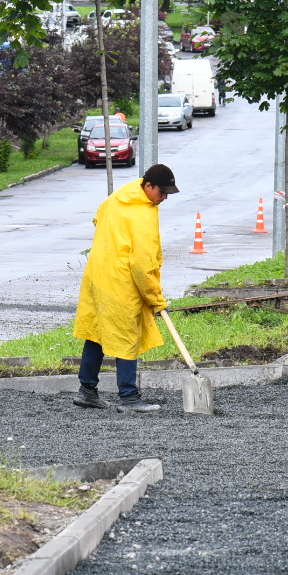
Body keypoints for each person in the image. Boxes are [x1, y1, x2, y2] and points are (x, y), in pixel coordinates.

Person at [71, 163, 179, 412]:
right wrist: (155, 298)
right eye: (162, 192)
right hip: (122, 281)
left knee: (97, 332)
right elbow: (142, 265)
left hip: (98, 275)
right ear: (148, 186)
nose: (164, 198)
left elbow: (97, 219)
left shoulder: (116, 198)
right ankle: (129, 398)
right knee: (126, 334)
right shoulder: (142, 214)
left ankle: (87, 391)